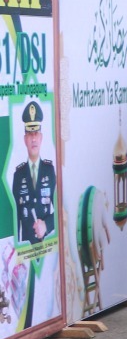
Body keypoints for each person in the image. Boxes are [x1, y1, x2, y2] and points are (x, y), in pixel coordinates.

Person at [12, 100, 55, 244]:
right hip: (27, 250)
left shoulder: (49, 171)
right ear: (25, 140)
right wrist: (17, 248)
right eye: (30, 134)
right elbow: (16, 217)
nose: (34, 139)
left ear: (41, 138)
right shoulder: (18, 175)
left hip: (48, 248)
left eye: (36, 133)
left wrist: (46, 225)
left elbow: (61, 211)